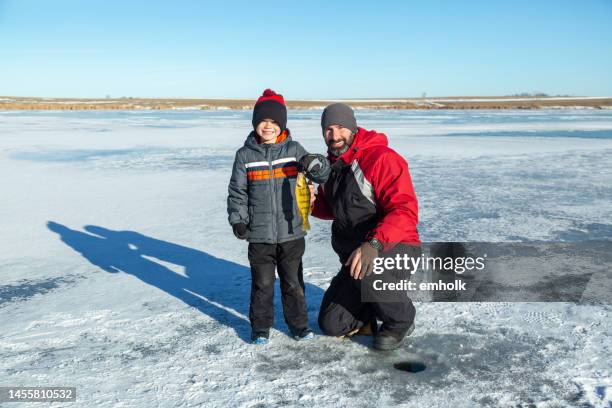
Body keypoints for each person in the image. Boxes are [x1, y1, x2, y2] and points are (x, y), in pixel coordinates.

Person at [311, 103, 421, 350]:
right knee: (331, 324)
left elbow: (404, 211)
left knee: (369, 271)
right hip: (355, 257)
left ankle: (401, 319)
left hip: (395, 247)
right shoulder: (332, 167)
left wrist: (374, 244)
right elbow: (331, 210)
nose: (335, 135)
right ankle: (372, 305)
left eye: (340, 128)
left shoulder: (382, 158)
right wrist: (309, 202)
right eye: (328, 129)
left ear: (353, 128)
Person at [227, 89, 327, 345]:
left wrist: (317, 166)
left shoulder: (294, 150)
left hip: (292, 232)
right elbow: (237, 191)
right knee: (262, 285)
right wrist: (238, 219)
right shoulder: (245, 155)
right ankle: (260, 328)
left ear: (281, 124)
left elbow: (319, 171)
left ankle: (299, 325)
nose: (268, 126)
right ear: (255, 123)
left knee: (293, 283)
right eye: (263, 121)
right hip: (259, 235)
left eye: (274, 122)